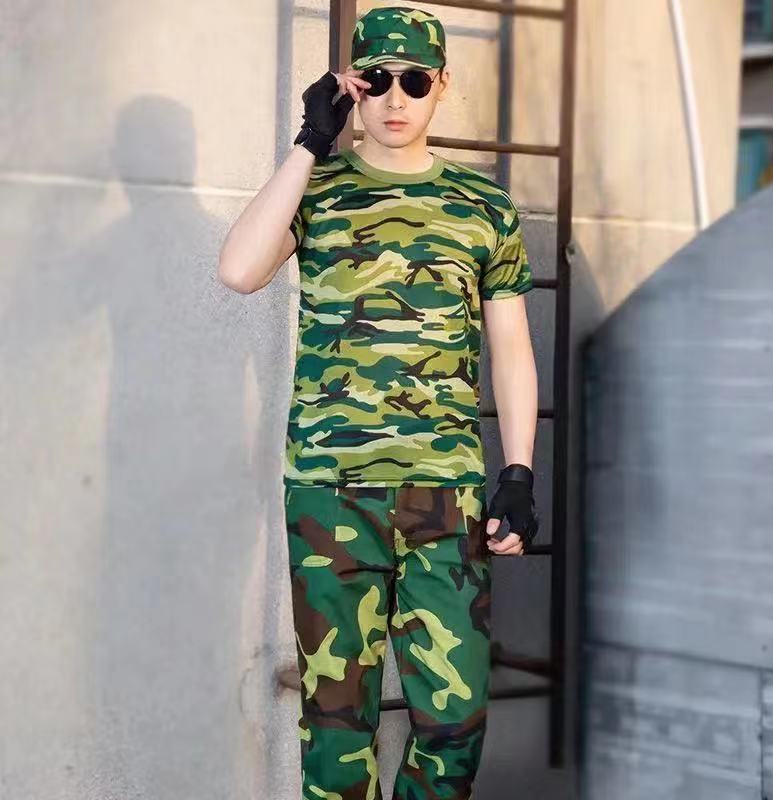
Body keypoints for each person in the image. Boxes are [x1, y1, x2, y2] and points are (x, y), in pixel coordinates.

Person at [219, 6, 540, 798]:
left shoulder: (483, 207)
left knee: (455, 726)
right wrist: (308, 142)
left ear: (443, 86)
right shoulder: (317, 191)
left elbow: (511, 348)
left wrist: (519, 473)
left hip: (446, 493)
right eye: (377, 81)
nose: (396, 98)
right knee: (337, 730)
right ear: (351, 88)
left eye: (415, 81)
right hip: (331, 493)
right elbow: (239, 270)